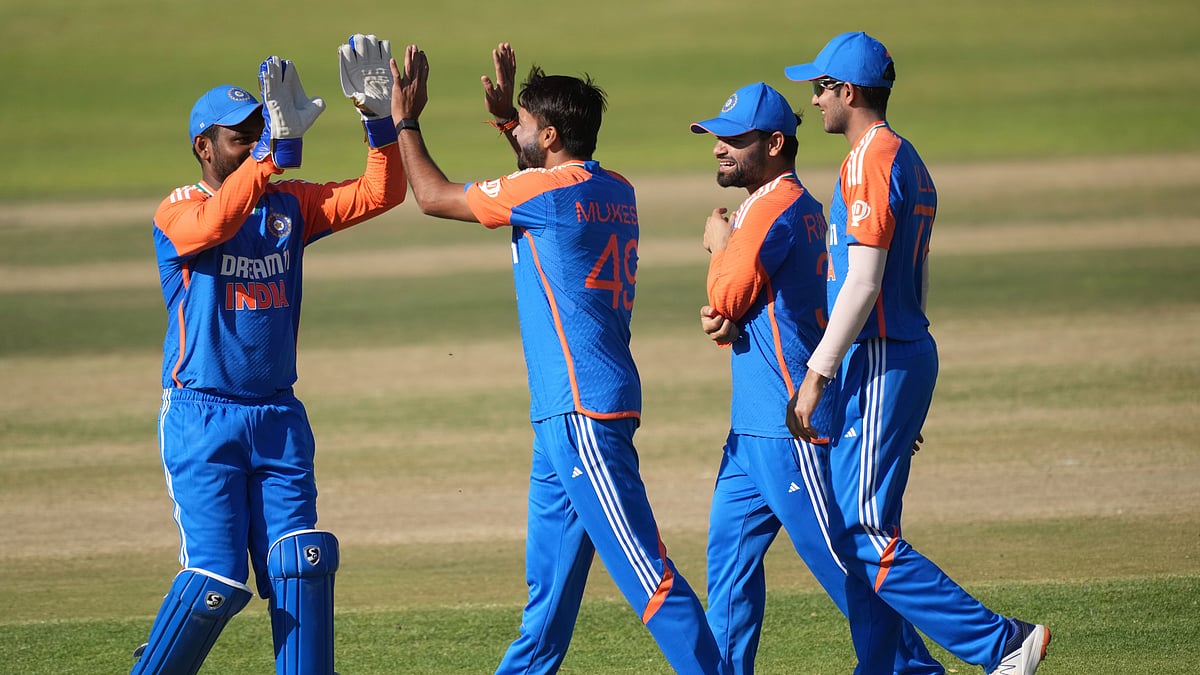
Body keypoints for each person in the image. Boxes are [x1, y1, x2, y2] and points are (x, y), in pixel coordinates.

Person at [388, 42, 725, 674]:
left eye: (521, 124)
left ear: (547, 135)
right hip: (568, 416)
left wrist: (405, 119)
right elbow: (538, 186)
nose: (513, 129)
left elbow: (432, 196)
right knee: (547, 603)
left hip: (582, 413)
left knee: (648, 575)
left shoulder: (542, 195)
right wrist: (505, 127)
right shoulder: (613, 189)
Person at [131, 34, 406, 675]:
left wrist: (379, 123)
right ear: (204, 147)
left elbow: (379, 194)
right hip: (203, 418)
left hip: (278, 419)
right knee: (215, 583)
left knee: (303, 565)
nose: (255, 140)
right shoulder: (180, 209)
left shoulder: (288, 205)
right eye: (241, 135)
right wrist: (272, 158)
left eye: (263, 127)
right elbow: (215, 227)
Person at [782, 32, 1051, 675]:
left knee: (865, 538)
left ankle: (1001, 644)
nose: (814, 100)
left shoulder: (868, 160)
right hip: (898, 356)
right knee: (868, 529)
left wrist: (819, 372)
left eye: (820, 88)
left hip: (881, 355)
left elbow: (865, 280)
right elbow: (913, 276)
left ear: (848, 93)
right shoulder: (907, 157)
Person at [692, 82, 945, 675]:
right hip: (751, 431)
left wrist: (719, 248)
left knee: (847, 565)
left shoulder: (773, 208)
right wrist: (733, 322)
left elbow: (726, 293)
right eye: (716, 138)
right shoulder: (800, 208)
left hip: (790, 428)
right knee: (728, 573)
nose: (719, 149)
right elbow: (771, 308)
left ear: (776, 144)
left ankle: (913, 669)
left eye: (734, 139)